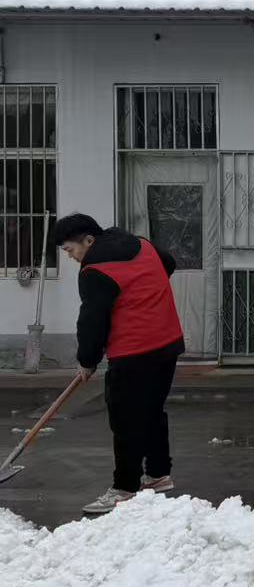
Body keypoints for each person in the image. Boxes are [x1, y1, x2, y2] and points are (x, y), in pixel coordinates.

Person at [51, 214, 185, 516]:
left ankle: (124, 488)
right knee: (152, 411)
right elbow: (168, 262)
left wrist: (87, 361)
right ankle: (158, 474)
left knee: (125, 420)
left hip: (133, 351)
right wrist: (144, 293)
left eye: (70, 250)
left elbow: (92, 320)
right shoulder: (141, 245)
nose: (71, 257)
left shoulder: (95, 270)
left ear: (88, 240)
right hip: (168, 342)